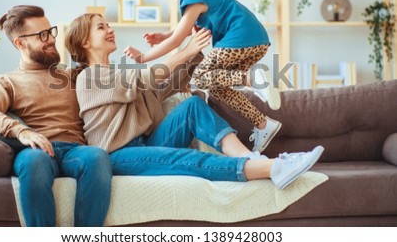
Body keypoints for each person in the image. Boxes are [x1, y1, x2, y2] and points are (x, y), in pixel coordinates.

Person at [65, 12, 324, 190]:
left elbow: (165, 86)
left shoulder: (116, 74)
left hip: (145, 143)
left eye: (108, 25)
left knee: (192, 106)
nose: (110, 29)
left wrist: (195, 46)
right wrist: (185, 50)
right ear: (85, 41)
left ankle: (251, 157)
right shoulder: (89, 77)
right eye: (101, 27)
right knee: (184, 159)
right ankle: (270, 168)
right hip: (117, 156)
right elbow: (145, 78)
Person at [124, 0, 282, 153]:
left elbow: (177, 41)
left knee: (199, 78)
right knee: (217, 87)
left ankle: (252, 79)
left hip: (241, 38)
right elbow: (183, 29)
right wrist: (164, 36)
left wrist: (143, 57)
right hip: (254, 40)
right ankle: (263, 123)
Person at [0, 5, 112, 227]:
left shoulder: (72, 76)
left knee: (96, 156)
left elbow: (106, 77)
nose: (50, 39)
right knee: (35, 163)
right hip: (36, 151)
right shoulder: (6, 81)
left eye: (51, 31)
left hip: (74, 150)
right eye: (42, 35)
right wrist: (23, 131)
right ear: (20, 43)